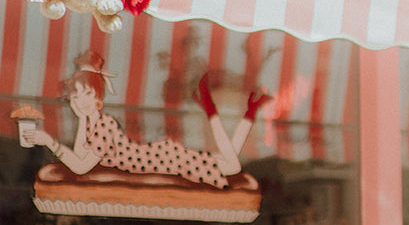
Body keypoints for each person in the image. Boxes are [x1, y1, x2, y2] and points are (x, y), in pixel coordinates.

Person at [22, 54, 266, 188]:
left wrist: (49, 142)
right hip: (160, 158)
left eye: (86, 93)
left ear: (98, 96)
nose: (79, 101)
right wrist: (81, 117)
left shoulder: (104, 125)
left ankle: (215, 109)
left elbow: (80, 166)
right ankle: (243, 111)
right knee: (228, 161)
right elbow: (79, 155)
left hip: (165, 160)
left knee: (232, 165)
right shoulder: (92, 124)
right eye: (74, 96)